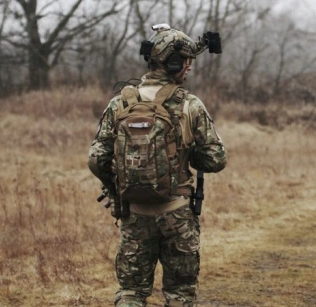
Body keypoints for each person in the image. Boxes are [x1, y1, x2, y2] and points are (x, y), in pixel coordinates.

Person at [88, 24, 227, 307]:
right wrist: (185, 157)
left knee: (131, 292)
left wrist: (117, 190)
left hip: (134, 214)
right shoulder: (190, 104)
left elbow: (97, 158)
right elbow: (216, 158)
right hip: (177, 214)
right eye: (186, 61)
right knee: (179, 293)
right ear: (174, 63)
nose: (189, 67)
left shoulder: (120, 103)